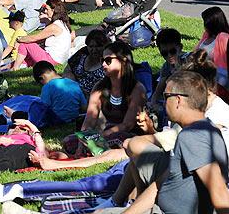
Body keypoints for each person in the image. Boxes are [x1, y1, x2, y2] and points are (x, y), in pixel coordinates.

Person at [100, 71, 229, 214]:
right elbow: (160, 183)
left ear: (178, 100)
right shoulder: (199, 129)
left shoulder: (193, 137)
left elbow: (220, 195)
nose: (164, 102)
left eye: (166, 96)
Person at [79, 41, 147, 144]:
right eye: (102, 60)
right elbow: (89, 120)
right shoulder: (99, 87)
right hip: (106, 133)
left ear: (123, 60)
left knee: (118, 139)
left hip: (130, 136)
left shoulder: (137, 89)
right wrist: (83, 140)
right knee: (69, 141)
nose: (103, 64)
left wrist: (99, 136)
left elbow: (127, 125)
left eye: (108, 60)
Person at [10, 0, 73, 70]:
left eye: (47, 9)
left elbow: (34, 38)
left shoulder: (54, 26)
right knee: (28, 45)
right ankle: (19, 65)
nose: (45, 11)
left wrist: (18, 39)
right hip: (59, 60)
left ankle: (15, 68)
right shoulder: (62, 24)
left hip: (52, 61)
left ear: (53, 10)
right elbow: (39, 40)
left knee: (25, 43)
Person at [63, 29, 111, 98]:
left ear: (105, 45)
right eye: (91, 46)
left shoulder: (108, 61)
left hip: (94, 98)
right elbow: (68, 69)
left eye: (98, 46)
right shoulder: (82, 53)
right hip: (73, 91)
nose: (94, 50)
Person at [150, 28, 188, 111]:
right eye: (164, 53)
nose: (169, 56)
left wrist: (178, 66)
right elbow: (158, 91)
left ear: (180, 47)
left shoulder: (188, 61)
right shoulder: (166, 66)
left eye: (173, 51)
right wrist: (153, 103)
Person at [197, 6, 229, 101]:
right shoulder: (206, 35)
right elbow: (196, 52)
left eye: (206, 23)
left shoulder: (223, 37)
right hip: (201, 76)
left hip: (216, 81)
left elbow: (223, 69)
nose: (204, 26)